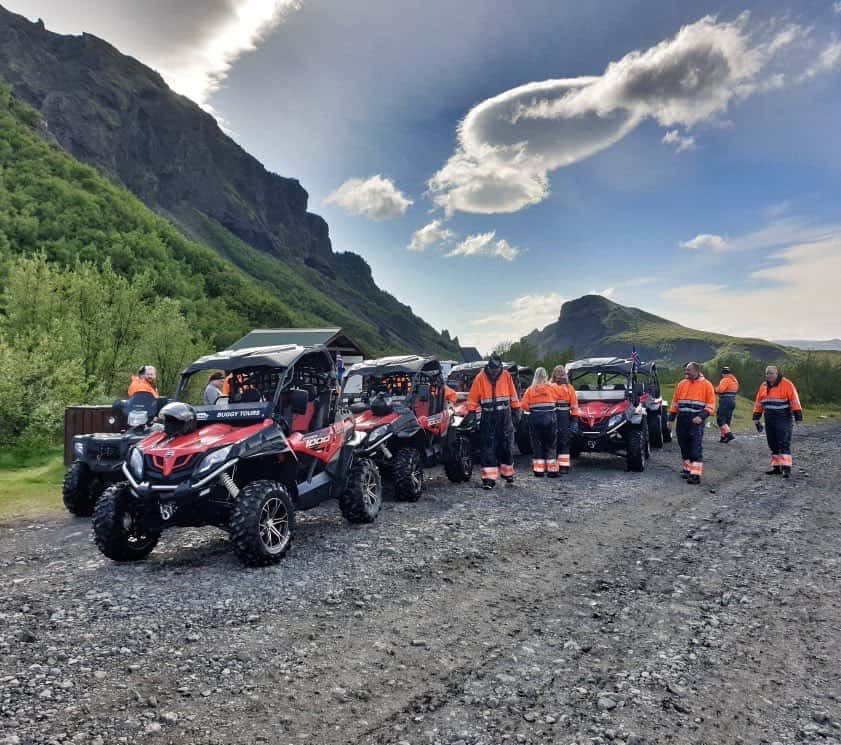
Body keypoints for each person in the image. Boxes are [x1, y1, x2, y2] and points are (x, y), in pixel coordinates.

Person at [467, 353, 521, 489]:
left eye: (497, 369)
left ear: (500, 367)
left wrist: (515, 411)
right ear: (489, 367)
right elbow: (473, 397)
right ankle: (489, 479)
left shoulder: (506, 375)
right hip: (488, 416)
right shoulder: (480, 377)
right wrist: (472, 413)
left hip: (505, 415)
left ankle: (508, 473)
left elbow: (513, 395)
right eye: (493, 369)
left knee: (507, 445)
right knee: (488, 448)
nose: (495, 371)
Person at [668, 362, 715, 484]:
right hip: (682, 419)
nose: (686, 372)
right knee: (683, 445)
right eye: (686, 370)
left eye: (688, 370)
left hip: (696, 421)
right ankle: (687, 469)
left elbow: (711, 406)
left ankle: (695, 475)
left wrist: (701, 416)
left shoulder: (707, 385)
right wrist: (670, 419)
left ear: (696, 370)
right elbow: (675, 403)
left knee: (695, 447)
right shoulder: (681, 384)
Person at [753, 365, 802, 478]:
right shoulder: (763, 386)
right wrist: (756, 417)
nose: (768, 375)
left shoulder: (787, 384)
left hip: (783, 417)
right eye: (767, 373)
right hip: (769, 418)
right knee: (773, 443)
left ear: (777, 373)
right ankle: (776, 467)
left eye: (771, 373)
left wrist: (798, 416)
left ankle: (786, 468)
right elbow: (759, 403)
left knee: (784, 442)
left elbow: (794, 400)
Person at [520, 367, 558, 477]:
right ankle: (552, 471)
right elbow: (557, 400)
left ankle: (539, 471)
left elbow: (524, 406)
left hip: (535, 418)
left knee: (537, 444)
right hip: (550, 417)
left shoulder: (530, 390)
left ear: (535, 376)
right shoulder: (551, 388)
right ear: (546, 375)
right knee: (550, 444)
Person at [550, 364, 579, 474]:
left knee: (564, 440)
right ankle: (554, 465)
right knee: (553, 440)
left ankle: (563, 466)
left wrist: (575, 420)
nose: (561, 374)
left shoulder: (569, 388)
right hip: (553, 414)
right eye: (559, 372)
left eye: (562, 372)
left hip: (564, 415)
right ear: (554, 374)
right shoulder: (550, 386)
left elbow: (574, 405)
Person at [715, 366, 739, 443]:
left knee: (720, 419)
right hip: (732, 400)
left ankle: (729, 435)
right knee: (727, 420)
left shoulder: (725, 380)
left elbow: (720, 390)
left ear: (723, 373)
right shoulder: (735, 380)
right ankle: (723, 437)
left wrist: (715, 389)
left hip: (725, 401)